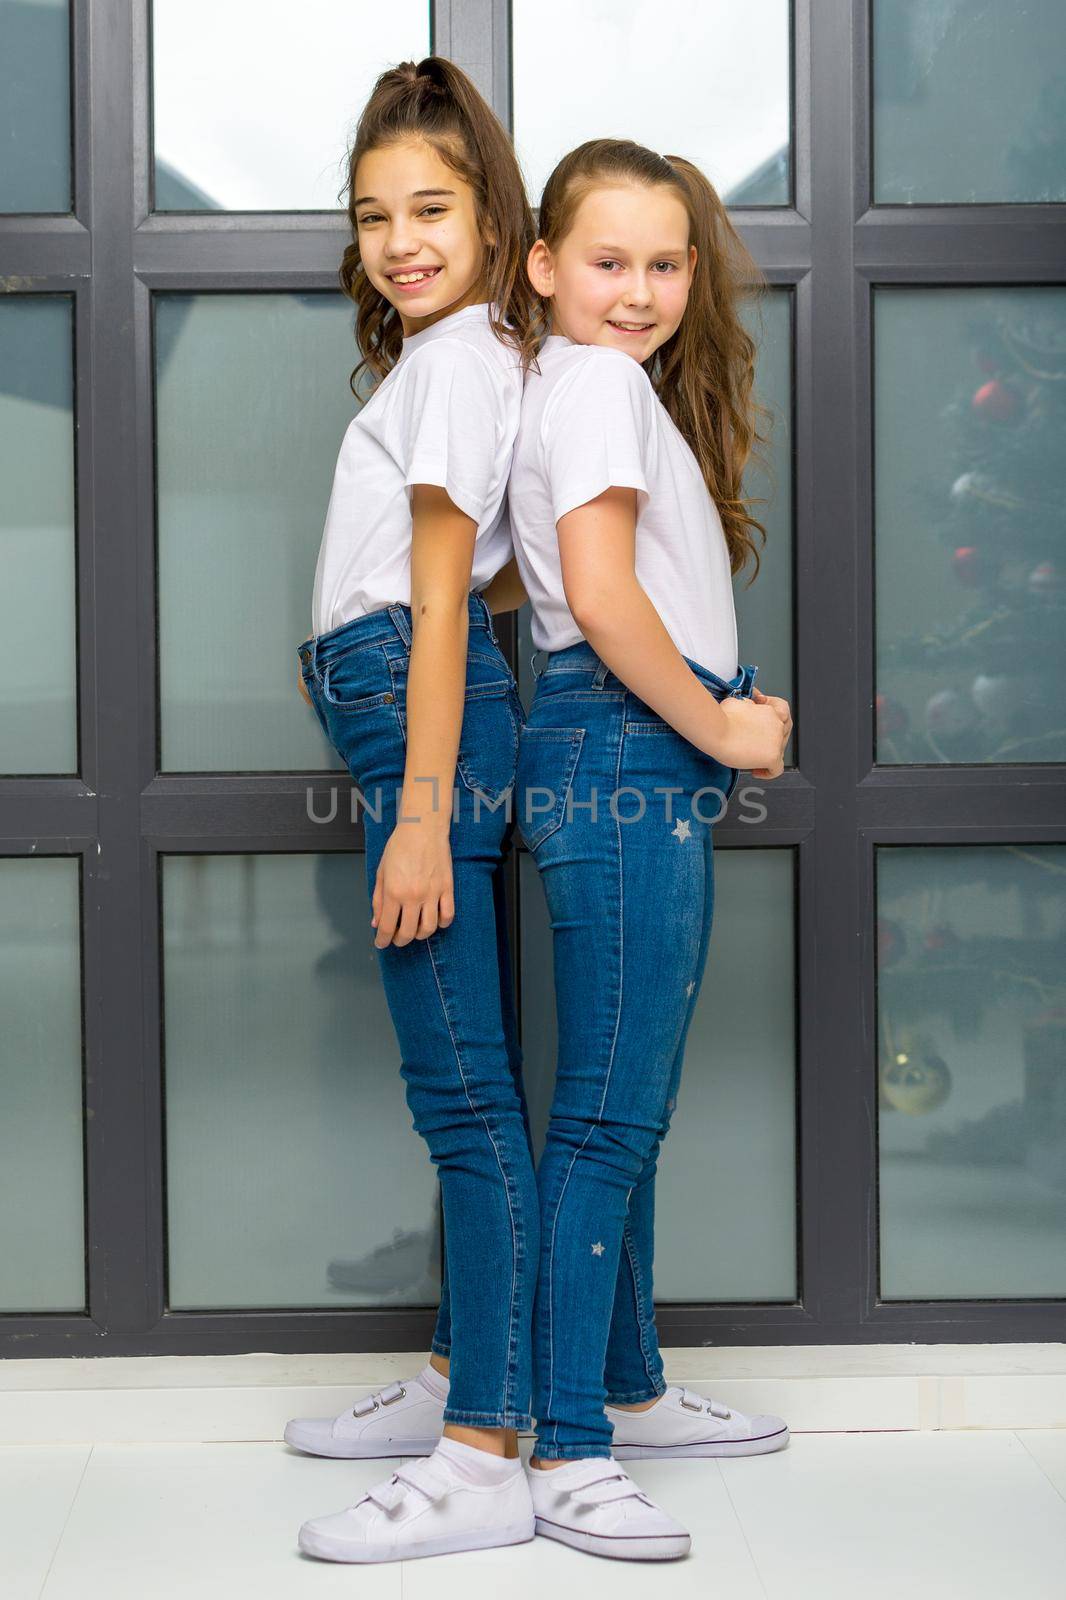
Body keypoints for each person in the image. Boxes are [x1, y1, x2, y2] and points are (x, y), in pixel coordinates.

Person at [503, 138, 794, 1561]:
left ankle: (623, 1384)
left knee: (625, 1098)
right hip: (626, 741)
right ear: (544, 266)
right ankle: (565, 1446)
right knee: (614, 1115)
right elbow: (606, 602)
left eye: (663, 263)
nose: (635, 292)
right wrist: (723, 724)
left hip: (618, 743)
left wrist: (717, 709)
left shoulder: (580, 389)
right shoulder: (602, 386)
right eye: (604, 261)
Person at [290, 57, 542, 1564]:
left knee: (461, 1095)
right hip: (397, 702)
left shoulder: (454, 361)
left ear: (495, 222)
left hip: (413, 717)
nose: (399, 241)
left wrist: (421, 813)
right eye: (374, 214)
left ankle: (481, 1455)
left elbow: (445, 608)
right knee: (466, 1079)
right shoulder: (453, 360)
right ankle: (465, 1375)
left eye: (431, 208)